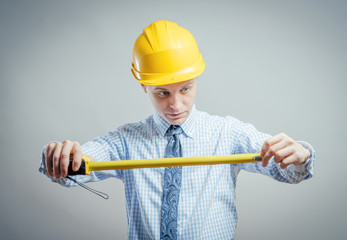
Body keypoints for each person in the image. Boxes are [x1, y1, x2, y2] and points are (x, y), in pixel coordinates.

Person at [39, 20, 315, 240]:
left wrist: (300, 155)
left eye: (186, 88)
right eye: (162, 93)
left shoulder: (228, 133)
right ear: (143, 85)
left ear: (196, 78)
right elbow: (69, 170)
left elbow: (290, 173)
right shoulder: (125, 140)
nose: (176, 105)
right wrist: (60, 157)